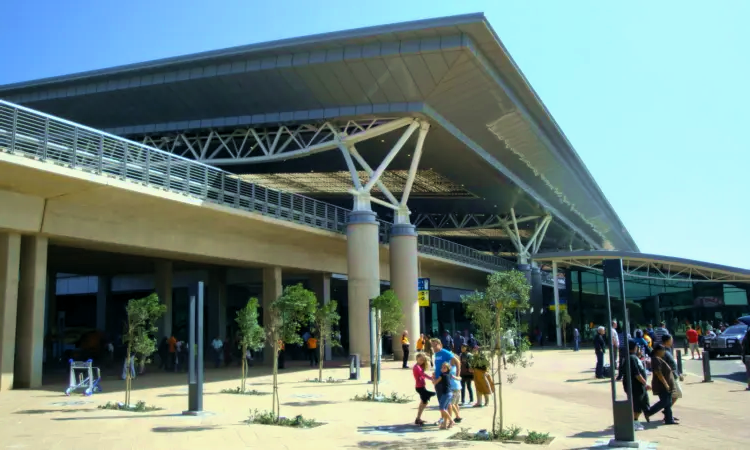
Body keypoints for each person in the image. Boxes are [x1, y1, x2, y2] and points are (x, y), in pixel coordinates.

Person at [645, 344, 677, 425]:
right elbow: (658, 372)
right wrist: (666, 384)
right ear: (658, 351)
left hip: (666, 384)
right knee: (665, 401)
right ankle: (649, 412)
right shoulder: (655, 359)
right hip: (661, 385)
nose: (664, 352)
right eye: (663, 350)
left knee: (668, 402)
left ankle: (669, 419)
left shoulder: (659, 358)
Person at [624, 340, 651, 431]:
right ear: (634, 347)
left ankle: (637, 419)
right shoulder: (631, 358)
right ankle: (634, 422)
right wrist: (645, 383)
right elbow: (636, 374)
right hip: (635, 386)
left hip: (639, 386)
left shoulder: (634, 357)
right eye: (637, 347)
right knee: (637, 404)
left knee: (643, 402)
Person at [412, 353, 435, 426]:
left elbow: (423, 375)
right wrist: (431, 378)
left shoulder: (419, 366)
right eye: (420, 359)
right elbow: (423, 375)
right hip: (419, 387)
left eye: (423, 360)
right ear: (417, 358)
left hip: (421, 386)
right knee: (425, 400)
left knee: (424, 402)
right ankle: (418, 418)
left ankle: (418, 418)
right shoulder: (417, 367)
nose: (422, 361)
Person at [661, 334, 683, 410]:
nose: (672, 341)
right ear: (667, 341)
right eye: (671, 339)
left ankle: (667, 412)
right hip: (670, 376)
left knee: (674, 395)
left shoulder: (668, 349)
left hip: (673, 375)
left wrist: (679, 373)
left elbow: (673, 363)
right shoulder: (662, 351)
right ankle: (667, 411)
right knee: (677, 393)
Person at [432, 362, 455, 430]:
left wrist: (433, 377)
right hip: (450, 393)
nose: (442, 368)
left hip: (446, 394)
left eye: (444, 367)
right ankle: (444, 425)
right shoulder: (449, 374)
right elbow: (456, 378)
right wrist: (459, 378)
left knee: (442, 408)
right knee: (444, 408)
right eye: (442, 367)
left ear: (448, 368)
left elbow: (435, 382)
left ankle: (451, 421)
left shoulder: (442, 375)